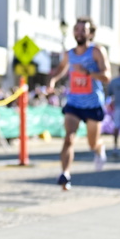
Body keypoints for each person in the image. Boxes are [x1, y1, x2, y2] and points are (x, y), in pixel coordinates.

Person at [47, 17, 111, 190]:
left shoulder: (96, 51)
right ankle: (65, 174)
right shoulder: (69, 54)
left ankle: (99, 148)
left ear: (90, 33)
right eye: (77, 29)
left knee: (92, 143)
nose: (79, 33)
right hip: (74, 103)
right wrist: (53, 80)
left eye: (83, 30)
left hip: (93, 104)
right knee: (69, 138)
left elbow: (107, 76)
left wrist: (88, 72)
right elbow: (61, 69)